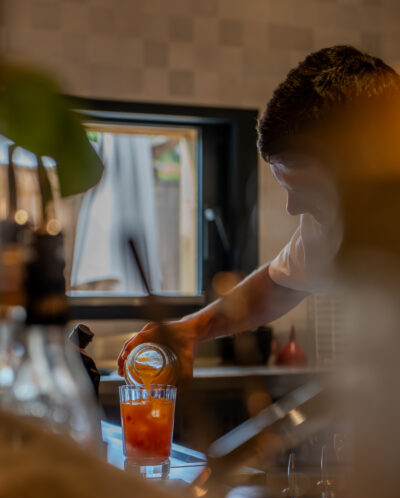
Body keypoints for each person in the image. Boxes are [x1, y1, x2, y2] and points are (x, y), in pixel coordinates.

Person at [118, 45, 400, 380]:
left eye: (307, 192)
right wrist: (190, 329)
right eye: (289, 189)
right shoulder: (332, 223)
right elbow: (279, 285)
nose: (293, 208)